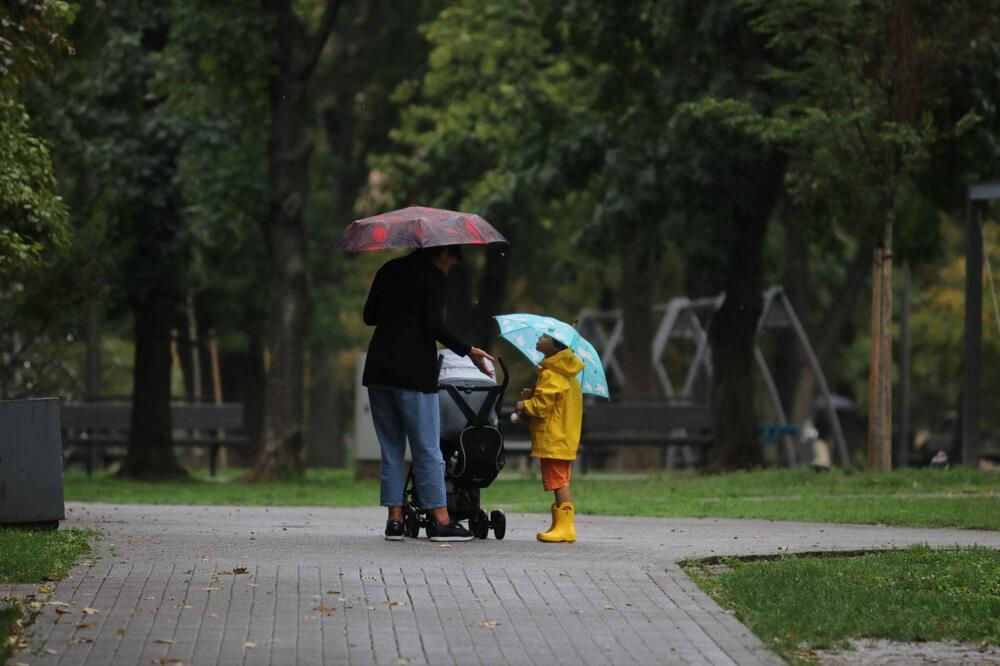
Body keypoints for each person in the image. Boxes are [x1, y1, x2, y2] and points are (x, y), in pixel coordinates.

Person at [362, 245, 494, 542]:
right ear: (441, 252)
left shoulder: (388, 270)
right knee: (427, 447)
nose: (450, 266)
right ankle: (440, 519)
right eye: (451, 260)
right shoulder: (434, 277)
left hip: (379, 368)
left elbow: (369, 316)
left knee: (392, 448)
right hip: (413, 371)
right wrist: (468, 350)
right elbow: (435, 325)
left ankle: (395, 520)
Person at [514, 333, 584, 543]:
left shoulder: (552, 374)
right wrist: (532, 396)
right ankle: (560, 524)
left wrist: (524, 405)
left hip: (554, 438)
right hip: (564, 436)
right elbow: (554, 402)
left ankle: (566, 528)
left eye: (544, 336)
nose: (538, 337)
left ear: (554, 346)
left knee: (558, 481)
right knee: (559, 480)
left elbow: (542, 407)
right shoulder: (566, 374)